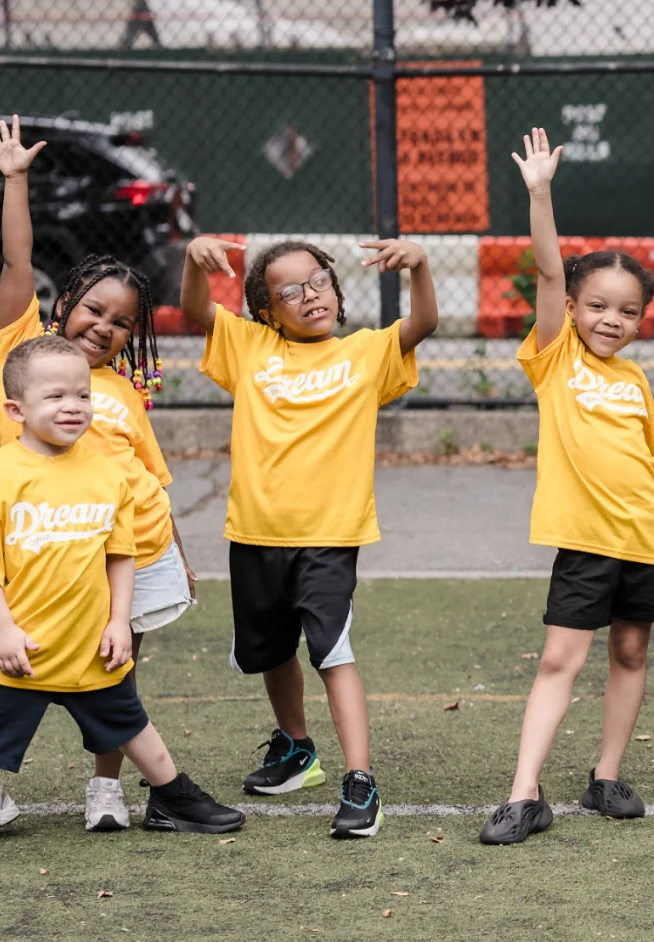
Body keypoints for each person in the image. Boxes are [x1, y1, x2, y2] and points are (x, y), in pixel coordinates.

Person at [0, 336, 242, 889]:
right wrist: (3, 628)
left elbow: (122, 555)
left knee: (131, 723)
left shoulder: (106, 473)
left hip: (89, 644)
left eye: (82, 393)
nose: (73, 405)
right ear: (16, 410)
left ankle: (174, 800)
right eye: (55, 396)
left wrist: (120, 620)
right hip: (22, 649)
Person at [0, 116, 196, 841]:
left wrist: (174, 553)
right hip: (32, 554)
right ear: (64, 304)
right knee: (6, 671)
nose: (104, 326)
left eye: (121, 322)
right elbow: (17, 259)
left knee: (115, 675)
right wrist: (16, 180)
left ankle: (106, 789)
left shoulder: (119, 393)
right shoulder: (22, 348)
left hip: (116, 558)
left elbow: (149, 481)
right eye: (93, 309)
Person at [178, 219, 439, 839]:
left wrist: (420, 266)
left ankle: (360, 781)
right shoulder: (249, 348)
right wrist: (193, 261)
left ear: (337, 289)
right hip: (255, 533)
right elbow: (196, 312)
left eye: (319, 281)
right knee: (271, 650)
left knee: (331, 652)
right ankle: (297, 750)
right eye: (291, 291)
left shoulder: (366, 352)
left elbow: (423, 325)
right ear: (267, 312)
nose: (311, 295)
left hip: (329, 535)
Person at [481, 129, 654, 845]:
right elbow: (543, 269)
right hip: (586, 543)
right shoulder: (556, 357)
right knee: (561, 661)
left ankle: (606, 776)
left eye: (628, 311)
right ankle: (524, 792)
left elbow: (647, 467)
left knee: (631, 655)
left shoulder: (636, 380)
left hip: (645, 540)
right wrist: (540, 193)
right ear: (573, 305)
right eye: (598, 305)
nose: (612, 321)